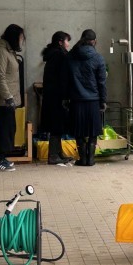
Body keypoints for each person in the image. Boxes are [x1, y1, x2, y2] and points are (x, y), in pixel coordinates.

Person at [0, 24, 25, 172]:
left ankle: (2, 158)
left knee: (8, 128)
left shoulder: (9, 51)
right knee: (5, 128)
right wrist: (8, 97)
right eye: (20, 37)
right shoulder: (1, 51)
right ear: (14, 37)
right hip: (2, 99)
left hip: (8, 98)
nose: (22, 40)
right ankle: (0, 161)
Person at [66, 29, 107, 167]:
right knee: (93, 130)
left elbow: (66, 80)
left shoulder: (70, 56)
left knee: (79, 131)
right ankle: (91, 159)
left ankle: (82, 158)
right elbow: (102, 82)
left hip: (76, 99)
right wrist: (103, 100)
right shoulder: (98, 58)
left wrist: (66, 98)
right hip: (93, 100)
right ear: (94, 41)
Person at [41, 31, 73, 165]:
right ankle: (54, 155)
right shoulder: (60, 56)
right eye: (67, 41)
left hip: (51, 95)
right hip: (57, 96)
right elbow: (63, 78)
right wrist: (66, 96)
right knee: (56, 126)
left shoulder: (52, 55)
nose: (68, 44)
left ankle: (58, 153)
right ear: (60, 42)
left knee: (56, 126)